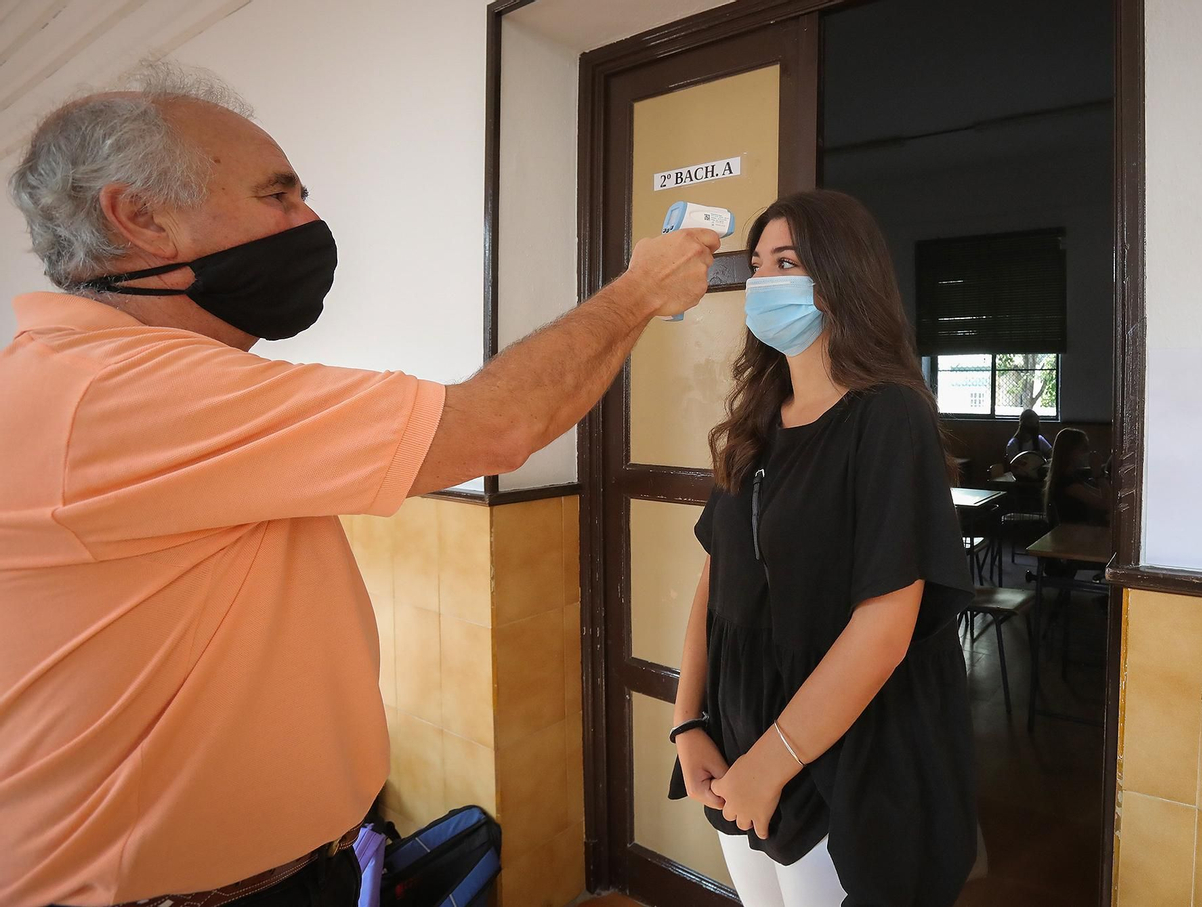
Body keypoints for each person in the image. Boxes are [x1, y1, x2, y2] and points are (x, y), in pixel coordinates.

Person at [0, 63, 719, 907]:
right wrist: (639, 291)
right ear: (142, 217)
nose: (309, 222)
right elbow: (497, 426)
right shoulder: (116, 393)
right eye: (278, 195)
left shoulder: (80, 376)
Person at [668, 190, 976, 907]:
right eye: (757, 264)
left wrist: (772, 763)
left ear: (842, 276)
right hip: (737, 744)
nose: (762, 281)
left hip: (839, 757)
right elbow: (717, 581)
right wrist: (688, 722)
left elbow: (885, 627)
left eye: (787, 262)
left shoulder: (889, 416)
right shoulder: (756, 421)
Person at [1043, 428, 1111, 526]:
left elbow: (1104, 496)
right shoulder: (1066, 482)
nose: (1088, 452)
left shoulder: (1073, 477)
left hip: (1078, 530)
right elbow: (1106, 504)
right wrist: (1098, 473)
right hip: (1072, 532)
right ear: (1070, 451)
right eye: (1084, 448)